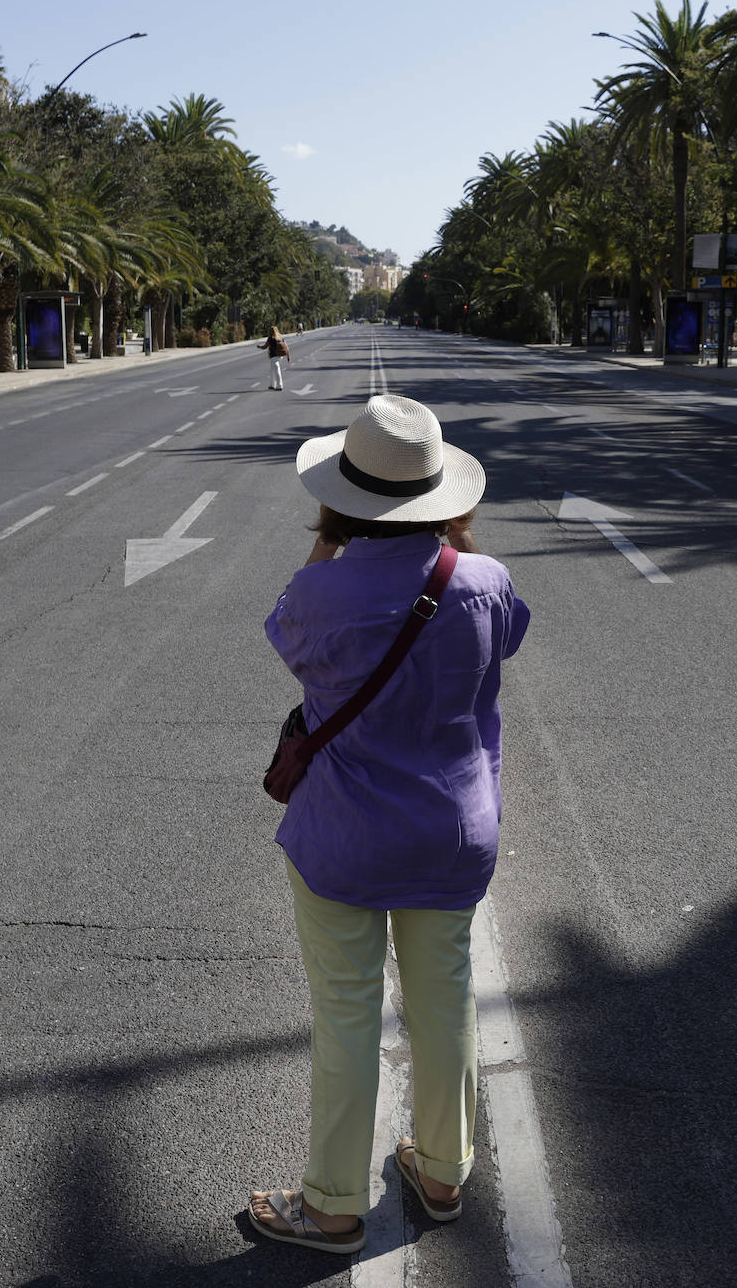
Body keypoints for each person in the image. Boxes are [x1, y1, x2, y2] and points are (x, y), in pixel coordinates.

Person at [249, 394, 530, 1255]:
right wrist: (458, 540)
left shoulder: (320, 589)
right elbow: (509, 632)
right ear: (444, 497)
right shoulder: (482, 582)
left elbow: (289, 640)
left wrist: (329, 540)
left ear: (340, 496)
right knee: (445, 1000)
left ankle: (332, 1204)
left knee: (346, 1013)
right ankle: (443, 1171)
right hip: (452, 831)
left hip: (344, 835)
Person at [258, 325, 290, 390]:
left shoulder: (270, 338)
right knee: (272, 371)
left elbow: (265, 347)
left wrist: (259, 347)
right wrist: (288, 356)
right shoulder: (280, 337)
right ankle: (272, 385)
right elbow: (286, 347)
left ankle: (279, 385)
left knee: (276, 371)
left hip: (273, 357)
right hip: (280, 356)